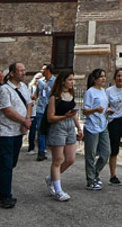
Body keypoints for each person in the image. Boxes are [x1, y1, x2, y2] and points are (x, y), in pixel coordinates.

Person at [0, 62, 32, 208]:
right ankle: (6, 197)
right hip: (5, 132)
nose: (23, 73)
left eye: (24, 70)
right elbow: (7, 110)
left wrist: (26, 120)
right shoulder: (5, 89)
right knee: (7, 164)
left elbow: (29, 103)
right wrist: (24, 120)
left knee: (11, 164)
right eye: (20, 71)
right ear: (12, 73)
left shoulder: (24, 87)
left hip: (18, 132)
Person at [45, 70, 82, 202]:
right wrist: (63, 117)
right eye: (70, 79)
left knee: (70, 159)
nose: (72, 82)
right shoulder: (55, 97)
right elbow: (50, 117)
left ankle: (52, 178)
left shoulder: (71, 95)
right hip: (58, 127)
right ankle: (58, 190)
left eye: (73, 79)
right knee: (57, 159)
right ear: (63, 81)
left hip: (70, 126)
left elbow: (74, 114)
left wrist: (78, 127)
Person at [81, 68, 110, 191]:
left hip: (103, 125)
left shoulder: (103, 91)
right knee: (91, 155)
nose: (103, 78)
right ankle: (90, 180)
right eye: (100, 77)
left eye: (104, 76)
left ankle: (95, 173)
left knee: (105, 153)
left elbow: (104, 107)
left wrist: (107, 110)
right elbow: (85, 110)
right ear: (94, 79)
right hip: (92, 127)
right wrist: (95, 110)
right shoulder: (90, 92)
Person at [31, 64, 56, 161]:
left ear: (48, 70)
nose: (42, 71)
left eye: (44, 69)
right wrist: (34, 97)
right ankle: (41, 152)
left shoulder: (55, 81)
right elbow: (37, 92)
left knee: (52, 130)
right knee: (41, 130)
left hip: (51, 109)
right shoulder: (40, 82)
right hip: (41, 109)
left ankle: (54, 150)